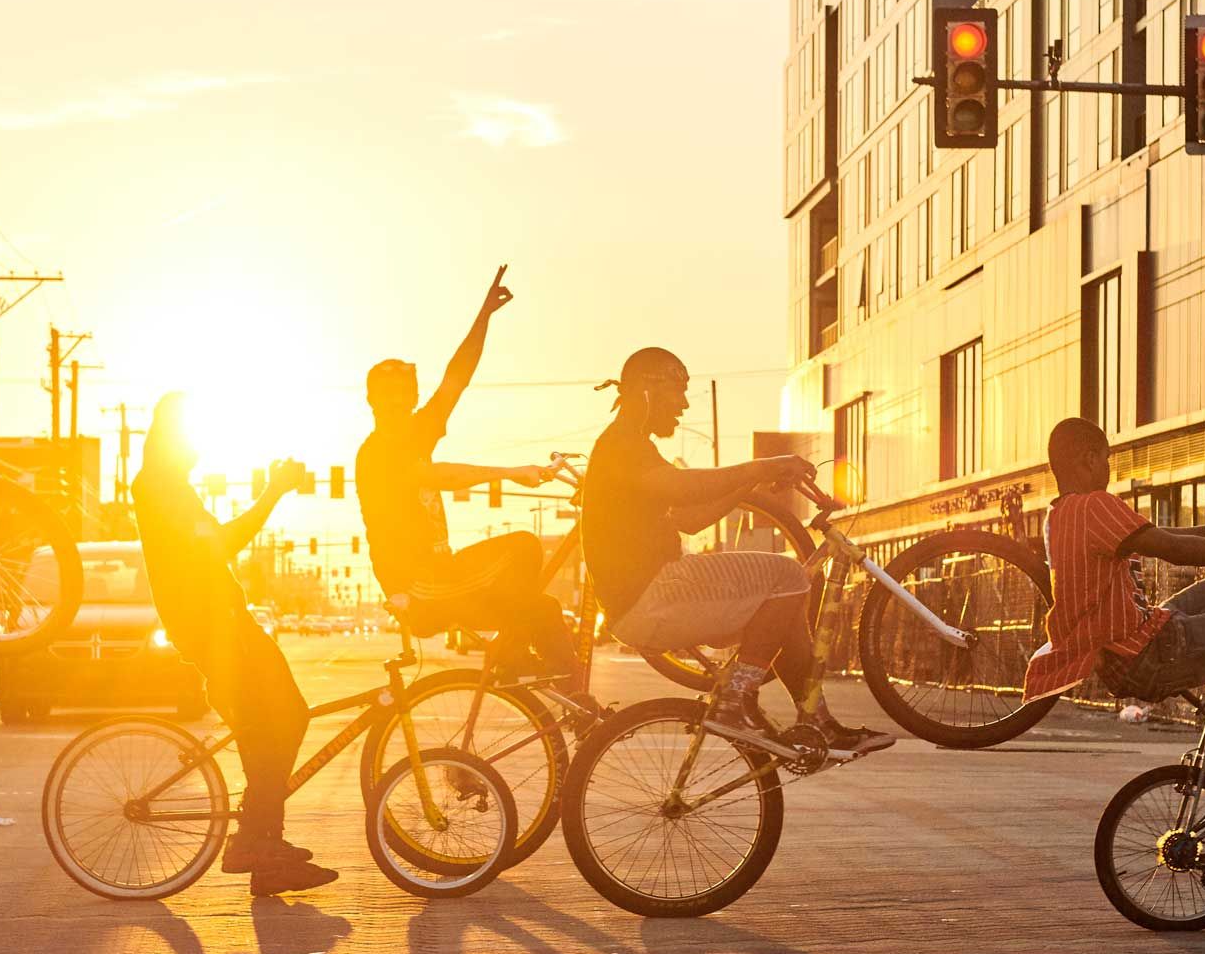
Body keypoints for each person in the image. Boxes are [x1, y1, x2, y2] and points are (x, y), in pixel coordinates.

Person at [583, 347, 895, 760]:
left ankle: (817, 723)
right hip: (651, 594)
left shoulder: (633, 444)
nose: (684, 404)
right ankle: (734, 702)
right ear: (647, 388)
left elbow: (690, 517)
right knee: (786, 575)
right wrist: (758, 467)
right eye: (678, 390)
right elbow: (685, 488)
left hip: (646, 596)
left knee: (784, 610)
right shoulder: (622, 444)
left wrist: (749, 485)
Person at [1024, 416, 1205, 817]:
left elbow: (1169, 535)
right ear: (1089, 458)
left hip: (1141, 641)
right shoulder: (1095, 505)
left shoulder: (1060, 514)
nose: (1110, 471)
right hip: (1153, 652)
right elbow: (1176, 549)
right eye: (1108, 460)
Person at [132, 392, 337, 896]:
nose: (197, 447)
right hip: (213, 627)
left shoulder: (171, 485)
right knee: (278, 718)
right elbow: (221, 544)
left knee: (274, 722)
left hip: (227, 621)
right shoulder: (159, 486)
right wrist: (271, 493)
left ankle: (264, 850)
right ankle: (255, 843)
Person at [358, 267, 584, 708]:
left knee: (535, 585)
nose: (399, 403)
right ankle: (529, 668)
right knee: (529, 574)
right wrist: (509, 472)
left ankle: (544, 677)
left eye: (406, 395)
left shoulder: (416, 431)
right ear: (372, 401)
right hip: (419, 584)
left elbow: (455, 379)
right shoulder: (378, 451)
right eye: (388, 396)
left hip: (442, 573)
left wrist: (484, 318)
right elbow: (437, 476)